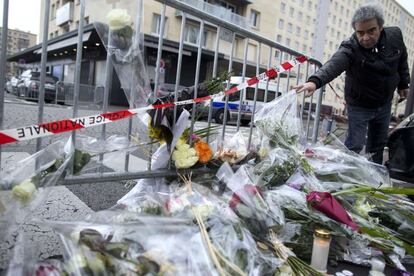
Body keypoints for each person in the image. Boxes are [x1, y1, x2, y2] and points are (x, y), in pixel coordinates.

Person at [294, 4, 410, 164]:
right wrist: (314, 82)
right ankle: (346, 174)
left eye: (371, 31)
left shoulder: (395, 36)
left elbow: (402, 60)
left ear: (381, 27)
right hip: (359, 104)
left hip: (384, 102)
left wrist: (404, 84)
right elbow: (334, 64)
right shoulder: (350, 47)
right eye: (360, 33)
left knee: (378, 145)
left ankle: (374, 178)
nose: (365, 37)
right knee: (354, 144)